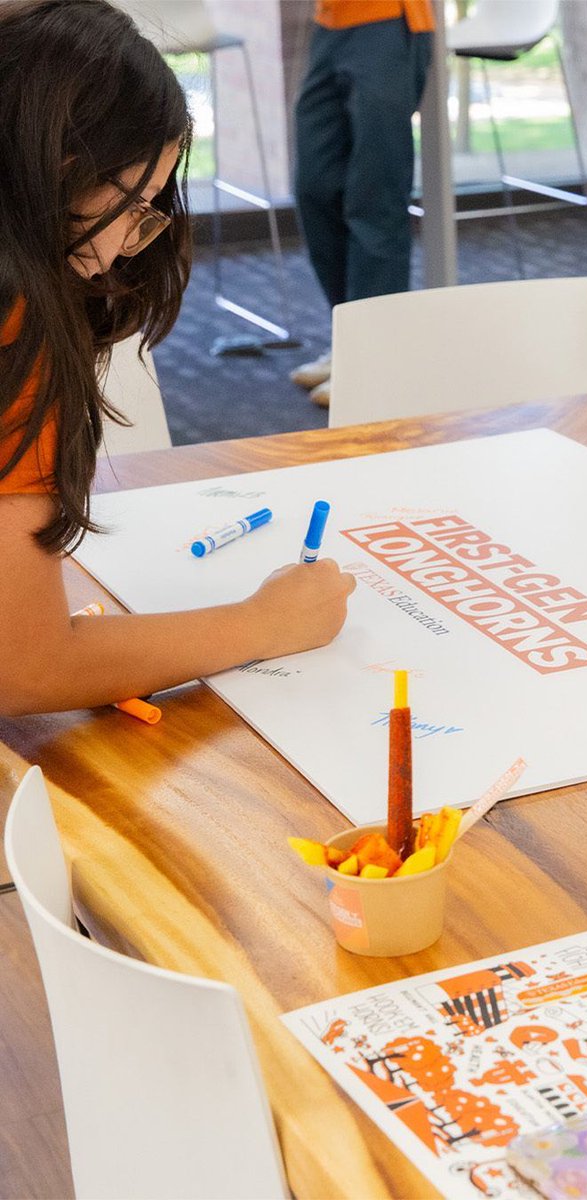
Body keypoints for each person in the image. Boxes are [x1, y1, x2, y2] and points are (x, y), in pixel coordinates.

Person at [0, 0, 356, 718]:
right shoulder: (18, 325)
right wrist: (266, 623)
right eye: (137, 208)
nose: (126, 248)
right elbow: (25, 669)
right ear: (65, 167)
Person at [290, 0, 434, 407]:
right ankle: (351, 340)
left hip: (389, 23)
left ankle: (375, 360)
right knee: (314, 188)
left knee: (375, 201)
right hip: (330, 23)